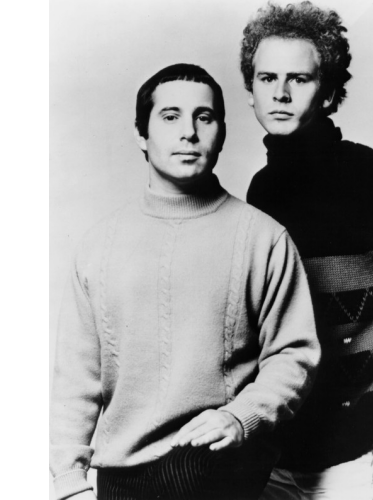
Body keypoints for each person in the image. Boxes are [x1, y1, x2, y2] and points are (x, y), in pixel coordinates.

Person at [49, 63, 321, 500]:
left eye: (204, 117)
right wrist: (67, 480)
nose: (189, 133)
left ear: (222, 133)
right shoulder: (99, 245)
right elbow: (76, 381)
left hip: (218, 466)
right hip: (121, 477)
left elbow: (294, 355)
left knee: (190, 470)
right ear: (142, 134)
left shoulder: (263, 238)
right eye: (171, 117)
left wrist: (240, 417)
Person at [240, 2, 373, 499]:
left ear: (331, 92)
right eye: (267, 78)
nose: (280, 93)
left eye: (299, 79)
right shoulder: (262, 189)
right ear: (250, 91)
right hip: (273, 448)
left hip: (349, 453)